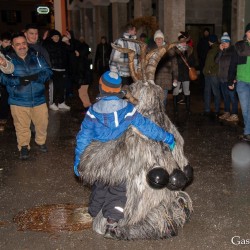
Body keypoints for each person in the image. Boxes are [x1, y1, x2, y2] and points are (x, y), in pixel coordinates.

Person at [73, 71, 176, 239]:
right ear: (118, 89)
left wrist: (79, 162)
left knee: (99, 186)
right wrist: (167, 137)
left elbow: (83, 137)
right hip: (120, 159)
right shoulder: (128, 109)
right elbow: (146, 127)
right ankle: (112, 223)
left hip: (98, 157)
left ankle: (93, 211)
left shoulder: (93, 111)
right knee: (119, 192)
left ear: (101, 88)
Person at [0, 32, 52, 159]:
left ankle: (41, 142)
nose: (22, 46)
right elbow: (3, 79)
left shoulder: (37, 57)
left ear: (27, 44)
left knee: (42, 124)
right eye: (18, 44)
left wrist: (35, 77)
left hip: (39, 98)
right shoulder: (7, 60)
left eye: (24, 43)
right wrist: (20, 81)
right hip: (18, 100)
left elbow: (48, 72)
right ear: (13, 46)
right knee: (21, 126)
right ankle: (23, 146)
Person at [228, 23, 250, 141]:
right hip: (242, 82)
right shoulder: (240, 46)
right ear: (246, 33)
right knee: (246, 109)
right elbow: (232, 64)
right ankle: (247, 132)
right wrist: (230, 80)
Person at [44, 29, 71, 111]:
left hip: (62, 69)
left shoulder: (62, 44)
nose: (56, 38)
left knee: (62, 87)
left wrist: (69, 41)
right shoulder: (47, 45)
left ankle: (61, 103)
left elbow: (70, 50)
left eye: (57, 36)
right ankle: (51, 103)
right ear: (51, 37)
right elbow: (42, 47)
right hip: (53, 69)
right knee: (53, 88)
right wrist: (44, 39)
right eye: (54, 36)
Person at [215, 32, 239, 122]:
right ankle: (227, 112)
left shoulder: (233, 51)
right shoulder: (222, 51)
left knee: (232, 96)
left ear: (229, 42)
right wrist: (220, 51)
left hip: (230, 78)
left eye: (226, 42)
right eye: (222, 42)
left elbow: (236, 65)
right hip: (221, 78)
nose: (224, 43)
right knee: (225, 97)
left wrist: (235, 78)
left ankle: (235, 114)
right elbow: (216, 61)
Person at [153, 30, 178, 110]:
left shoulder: (169, 50)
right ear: (155, 40)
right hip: (154, 81)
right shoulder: (152, 51)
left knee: (163, 102)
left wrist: (175, 78)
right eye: (157, 39)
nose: (159, 40)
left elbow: (175, 65)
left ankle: (162, 118)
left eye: (160, 38)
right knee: (155, 101)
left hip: (166, 80)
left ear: (163, 39)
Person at [173, 31, 195, 115]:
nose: (183, 42)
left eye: (184, 41)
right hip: (177, 74)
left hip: (186, 74)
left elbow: (193, 62)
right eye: (181, 41)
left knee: (187, 92)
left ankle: (188, 109)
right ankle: (175, 110)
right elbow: (173, 62)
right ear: (178, 41)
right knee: (175, 92)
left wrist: (188, 59)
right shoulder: (175, 50)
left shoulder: (189, 50)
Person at [202, 34, 220, 116]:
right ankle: (207, 109)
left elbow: (216, 62)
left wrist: (209, 69)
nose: (208, 42)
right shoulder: (212, 49)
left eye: (209, 40)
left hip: (213, 74)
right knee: (207, 92)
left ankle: (217, 110)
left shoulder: (217, 49)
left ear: (211, 41)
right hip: (208, 74)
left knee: (215, 92)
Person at [0, 32, 13, 132]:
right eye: (6, 42)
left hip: (9, 79)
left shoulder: (11, 52)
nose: (8, 44)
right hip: (1, 79)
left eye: (9, 42)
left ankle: (4, 119)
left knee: (6, 100)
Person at [77, 36, 92, 110]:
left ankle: (88, 106)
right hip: (85, 77)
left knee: (82, 92)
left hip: (84, 78)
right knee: (83, 92)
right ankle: (87, 105)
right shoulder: (85, 59)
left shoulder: (82, 60)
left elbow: (82, 70)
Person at [197, 28, 210, 93]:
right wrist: (201, 57)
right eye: (205, 32)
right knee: (202, 73)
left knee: (207, 73)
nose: (206, 33)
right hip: (202, 60)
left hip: (208, 60)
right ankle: (202, 86)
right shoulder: (201, 40)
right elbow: (198, 49)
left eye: (207, 32)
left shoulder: (209, 40)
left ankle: (207, 86)